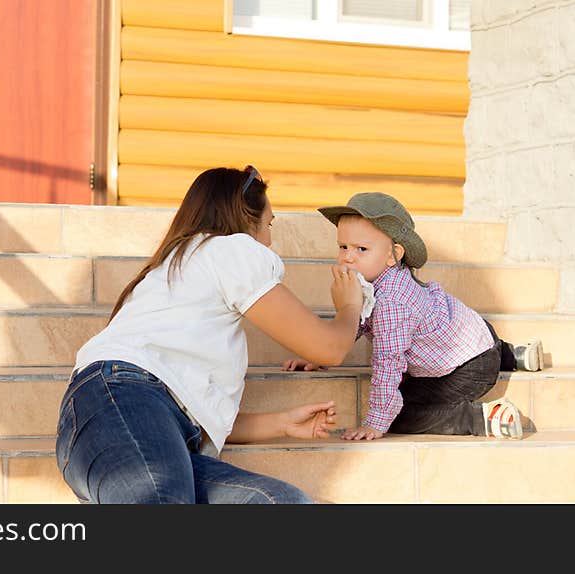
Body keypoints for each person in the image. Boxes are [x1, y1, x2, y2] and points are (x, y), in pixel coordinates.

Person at [55, 166, 365, 504]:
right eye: (270, 224)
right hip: (118, 403)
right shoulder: (229, 250)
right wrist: (350, 306)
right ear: (247, 223)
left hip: (121, 426)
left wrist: (281, 424)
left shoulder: (180, 271)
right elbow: (329, 348)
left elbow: (186, 409)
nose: (270, 240)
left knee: (280, 502)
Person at [282, 192, 544, 442]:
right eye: (343, 246)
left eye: (361, 249)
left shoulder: (391, 304)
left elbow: (388, 362)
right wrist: (320, 353)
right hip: (480, 336)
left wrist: (376, 421)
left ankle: (479, 418)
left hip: (466, 370)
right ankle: (513, 354)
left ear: (393, 254)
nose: (348, 257)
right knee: (470, 329)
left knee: (400, 414)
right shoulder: (376, 283)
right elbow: (358, 324)